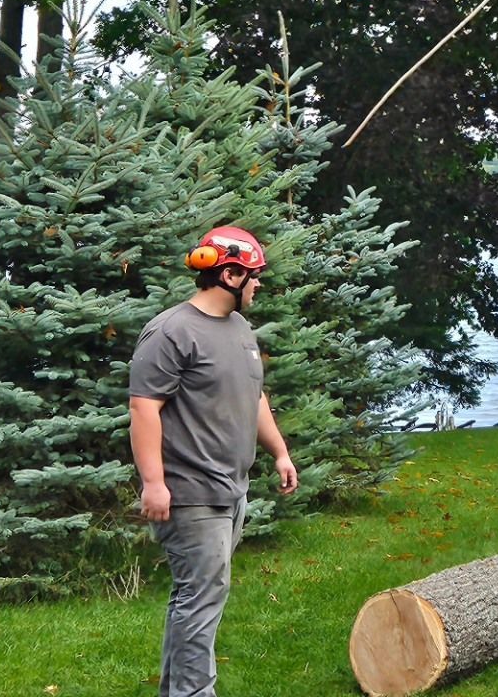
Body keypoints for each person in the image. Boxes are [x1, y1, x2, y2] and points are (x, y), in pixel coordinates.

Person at [129, 226, 299, 697]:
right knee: (200, 601)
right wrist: (154, 483)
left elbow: (254, 395)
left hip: (232, 487)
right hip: (191, 493)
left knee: (197, 600)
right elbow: (144, 407)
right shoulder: (171, 332)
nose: (259, 284)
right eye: (253, 276)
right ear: (228, 275)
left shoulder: (240, 329)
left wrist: (279, 452)